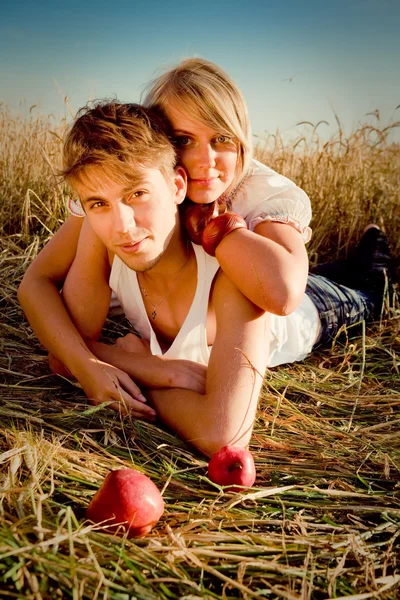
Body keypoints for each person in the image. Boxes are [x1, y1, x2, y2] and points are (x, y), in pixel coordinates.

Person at [18, 100, 393, 457]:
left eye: (137, 194)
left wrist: (133, 370)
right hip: (266, 281)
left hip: (311, 312)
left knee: (371, 288)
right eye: (97, 203)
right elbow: (67, 353)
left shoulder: (231, 278)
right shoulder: (110, 237)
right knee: (336, 271)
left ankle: (374, 247)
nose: (123, 227)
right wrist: (150, 368)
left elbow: (222, 435)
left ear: (178, 186)